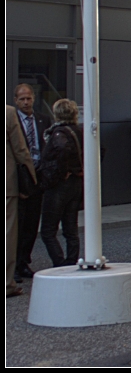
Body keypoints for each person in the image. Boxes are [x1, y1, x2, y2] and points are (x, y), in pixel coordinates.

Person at [38, 99, 84, 268]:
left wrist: (60, 172)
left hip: (60, 185)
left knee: (48, 230)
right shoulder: (80, 131)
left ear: (56, 114)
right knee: (70, 227)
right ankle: (71, 261)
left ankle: (60, 263)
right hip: (76, 183)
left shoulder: (58, 133)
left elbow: (61, 149)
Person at [13, 84, 51, 282]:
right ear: (15, 101)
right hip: (19, 177)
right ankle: (14, 265)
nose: (26, 102)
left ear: (34, 98)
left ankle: (24, 262)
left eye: (28, 98)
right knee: (16, 225)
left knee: (31, 223)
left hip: (38, 176)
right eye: (22, 99)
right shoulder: (11, 121)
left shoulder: (43, 119)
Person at [6, 105, 36, 297]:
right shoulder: (8, 113)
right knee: (8, 232)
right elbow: (20, 149)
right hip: (7, 183)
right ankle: (7, 283)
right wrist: (31, 180)